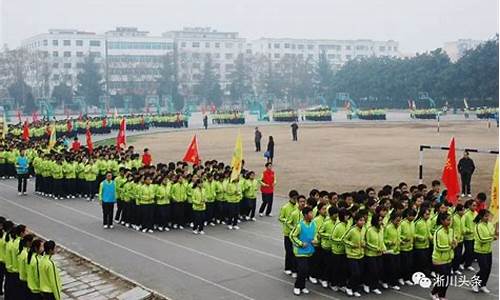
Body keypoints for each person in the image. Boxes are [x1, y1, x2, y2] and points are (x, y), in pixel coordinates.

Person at [290, 206, 317, 296]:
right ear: (305, 215)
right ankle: (297, 286)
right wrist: (300, 243)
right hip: (300, 252)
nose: (312, 214)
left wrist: (315, 240)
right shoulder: (299, 225)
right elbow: (292, 236)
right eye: (310, 213)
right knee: (302, 270)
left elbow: (315, 234)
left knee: (306, 271)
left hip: (310, 251)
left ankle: (303, 286)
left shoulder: (313, 224)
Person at [430, 213, 455, 300]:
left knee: (447, 280)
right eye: (447, 220)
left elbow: (452, 241)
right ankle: (434, 292)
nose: (449, 222)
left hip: (448, 258)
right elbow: (437, 246)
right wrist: (449, 247)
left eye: (450, 220)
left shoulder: (451, 230)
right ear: (442, 221)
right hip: (439, 259)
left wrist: (454, 242)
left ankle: (442, 296)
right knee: (442, 279)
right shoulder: (438, 232)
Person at [472, 209, 497, 293]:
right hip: (480, 251)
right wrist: (492, 238)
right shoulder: (478, 226)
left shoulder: (490, 224)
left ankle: (483, 285)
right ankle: (474, 282)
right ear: (481, 216)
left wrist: (496, 233)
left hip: (488, 250)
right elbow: (481, 239)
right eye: (486, 216)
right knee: (484, 269)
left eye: (488, 216)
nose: (487, 218)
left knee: (488, 269)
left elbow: (492, 233)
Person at [279, 190, 299, 276]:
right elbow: (280, 218)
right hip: (288, 233)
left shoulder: (298, 206)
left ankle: (294, 268)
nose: (295, 200)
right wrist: (286, 221)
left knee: (295, 252)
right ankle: (287, 267)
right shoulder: (285, 207)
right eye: (294, 198)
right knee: (289, 251)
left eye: (296, 198)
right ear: (290, 198)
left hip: (296, 233)